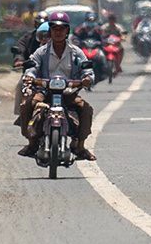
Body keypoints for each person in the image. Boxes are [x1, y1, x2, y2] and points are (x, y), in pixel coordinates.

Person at [19, 19, 97, 161]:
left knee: (86, 109)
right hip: (45, 92)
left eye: (62, 29)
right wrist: (29, 76)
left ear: (67, 31)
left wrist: (87, 78)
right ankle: (31, 143)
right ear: (50, 31)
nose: (58, 32)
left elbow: (87, 69)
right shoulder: (41, 52)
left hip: (68, 93)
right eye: (55, 29)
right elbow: (32, 66)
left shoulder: (76, 52)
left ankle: (80, 145)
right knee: (26, 105)